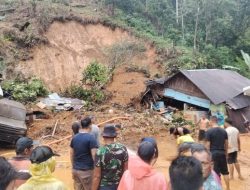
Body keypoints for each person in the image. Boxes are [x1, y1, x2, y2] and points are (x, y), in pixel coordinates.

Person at [92, 124, 128, 190]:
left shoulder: (100, 151)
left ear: (103, 136)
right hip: (119, 185)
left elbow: (97, 176)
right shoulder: (123, 149)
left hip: (105, 186)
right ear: (114, 136)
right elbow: (125, 171)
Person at [70, 117, 98, 190]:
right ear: (90, 125)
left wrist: (73, 167)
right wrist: (97, 169)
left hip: (76, 170)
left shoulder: (74, 137)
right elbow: (94, 155)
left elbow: (71, 154)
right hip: (86, 171)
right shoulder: (91, 138)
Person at [205, 116, 230, 190]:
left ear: (211, 121)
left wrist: (207, 155)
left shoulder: (209, 131)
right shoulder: (224, 131)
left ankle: (218, 187)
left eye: (209, 121)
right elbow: (226, 143)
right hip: (222, 152)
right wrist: (226, 153)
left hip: (213, 153)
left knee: (215, 173)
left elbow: (208, 145)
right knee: (225, 172)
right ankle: (228, 188)